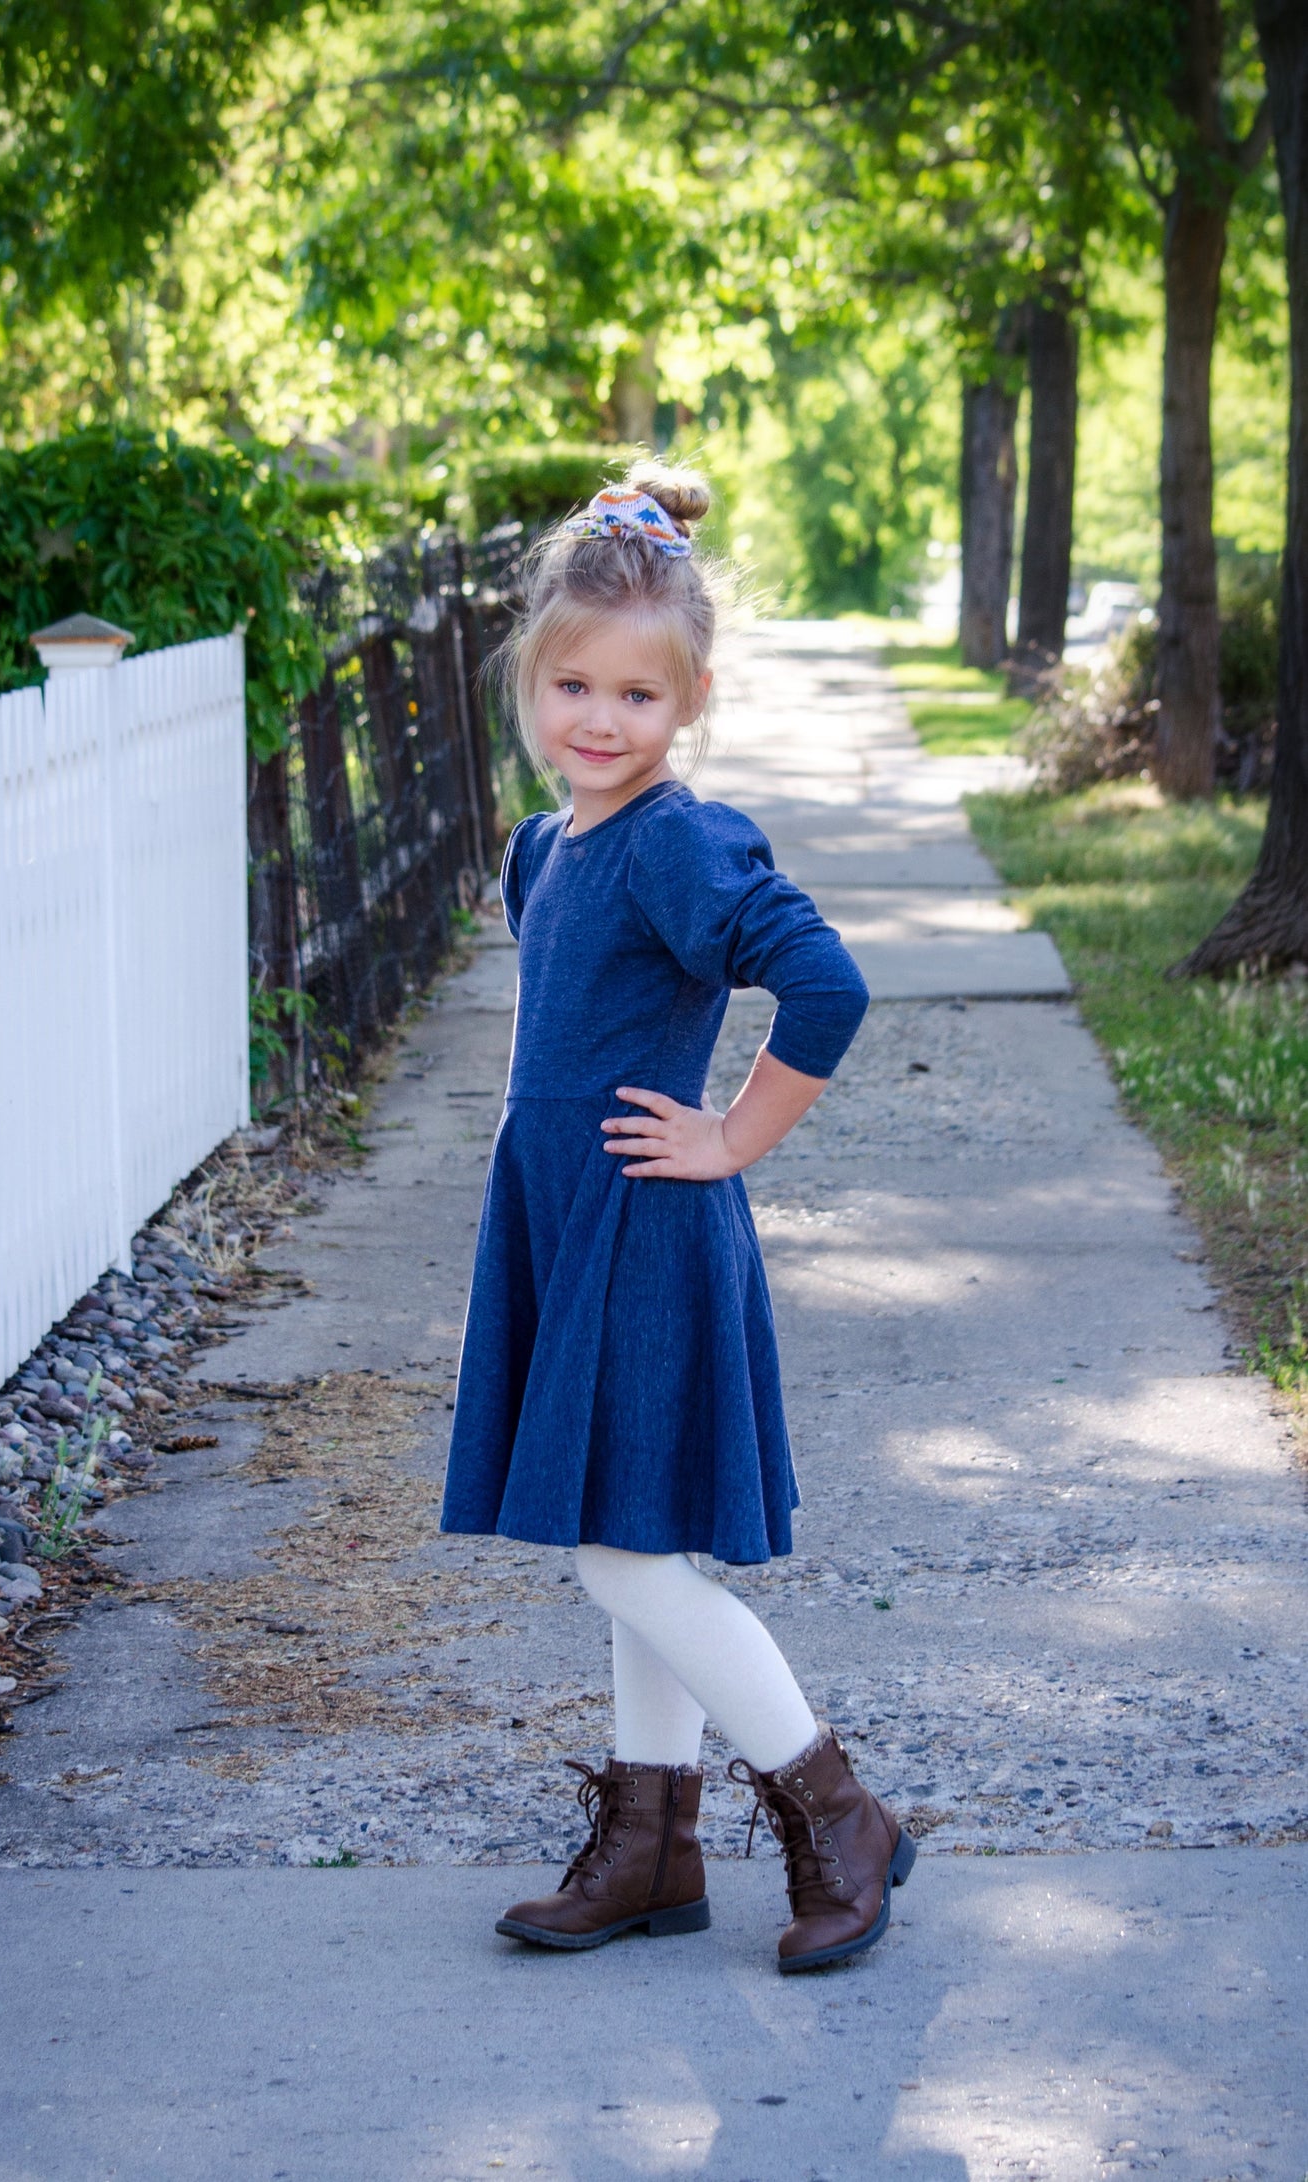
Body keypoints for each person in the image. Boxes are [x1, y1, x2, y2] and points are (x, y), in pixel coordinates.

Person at [440, 461, 914, 1974]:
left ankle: (839, 1812)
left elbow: (825, 985)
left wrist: (729, 1135)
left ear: (689, 698)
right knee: (619, 1533)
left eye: (635, 697)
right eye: (571, 684)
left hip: (645, 1225)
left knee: (623, 1555)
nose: (597, 718)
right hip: (568, 1218)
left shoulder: (676, 840)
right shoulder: (543, 845)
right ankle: (652, 1843)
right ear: (529, 678)